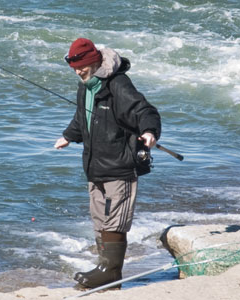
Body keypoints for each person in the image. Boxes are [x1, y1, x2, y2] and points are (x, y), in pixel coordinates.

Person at [54, 38, 161, 289]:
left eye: (81, 67)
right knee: (100, 219)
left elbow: (145, 110)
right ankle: (104, 269)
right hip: (94, 166)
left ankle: (110, 272)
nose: (78, 72)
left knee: (115, 221)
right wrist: (69, 136)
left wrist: (149, 131)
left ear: (93, 62)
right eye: (74, 68)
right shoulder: (86, 86)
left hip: (120, 166)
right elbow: (82, 118)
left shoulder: (117, 84)